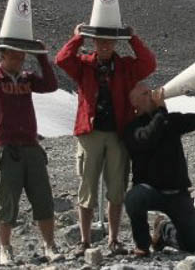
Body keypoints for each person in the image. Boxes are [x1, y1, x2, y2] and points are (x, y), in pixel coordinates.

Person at [55, 23, 156, 256]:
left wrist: (133, 38)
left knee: (117, 188)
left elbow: (149, 64)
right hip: (90, 132)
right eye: (100, 41)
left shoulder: (125, 67)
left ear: (115, 43)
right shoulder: (83, 64)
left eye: (109, 41)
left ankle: (113, 239)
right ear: (93, 42)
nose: (104, 45)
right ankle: (84, 240)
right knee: (87, 187)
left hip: (118, 134)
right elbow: (61, 59)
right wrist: (77, 37)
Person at [0, 34, 63, 265]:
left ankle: (49, 245)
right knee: (7, 202)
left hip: (31, 146)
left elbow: (51, 85)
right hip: (6, 147)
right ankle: (5, 249)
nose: (19, 60)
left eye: (22, 56)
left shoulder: (27, 78)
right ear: (3, 56)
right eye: (14, 55)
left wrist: (43, 58)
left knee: (43, 199)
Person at [123, 83, 195, 256]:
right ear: (135, 104)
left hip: (177, 194)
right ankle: (142, 244)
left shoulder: (168, 120)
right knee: (134, 197)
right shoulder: (133, 129)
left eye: (150, 91)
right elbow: (149, 136)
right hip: (150, 191)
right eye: (144, 93)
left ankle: (164, 231)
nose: (151, 94)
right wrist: (161, 111)